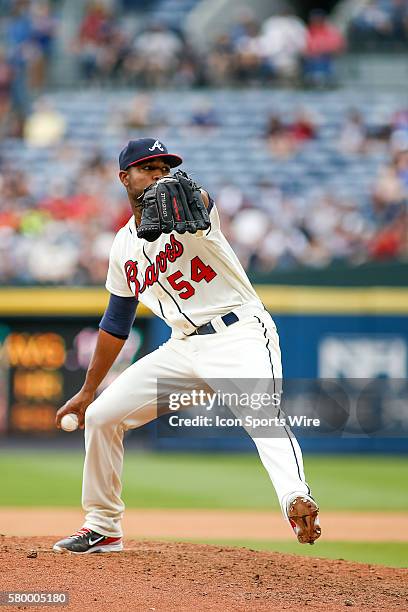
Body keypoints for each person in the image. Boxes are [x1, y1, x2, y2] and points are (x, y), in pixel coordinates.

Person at [53, 137, 321, 554]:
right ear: (124, 177)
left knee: (261, 414)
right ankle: (103, 527)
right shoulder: (122, 247)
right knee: (104, 415)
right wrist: (88, 391)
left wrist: (198, 195)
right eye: (148, 168)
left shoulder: (189, 211)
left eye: (165, 168)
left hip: (239, 334)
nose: (159, 175)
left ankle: (295, 499)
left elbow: (201, 200)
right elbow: (116, 322)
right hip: (183, 348)